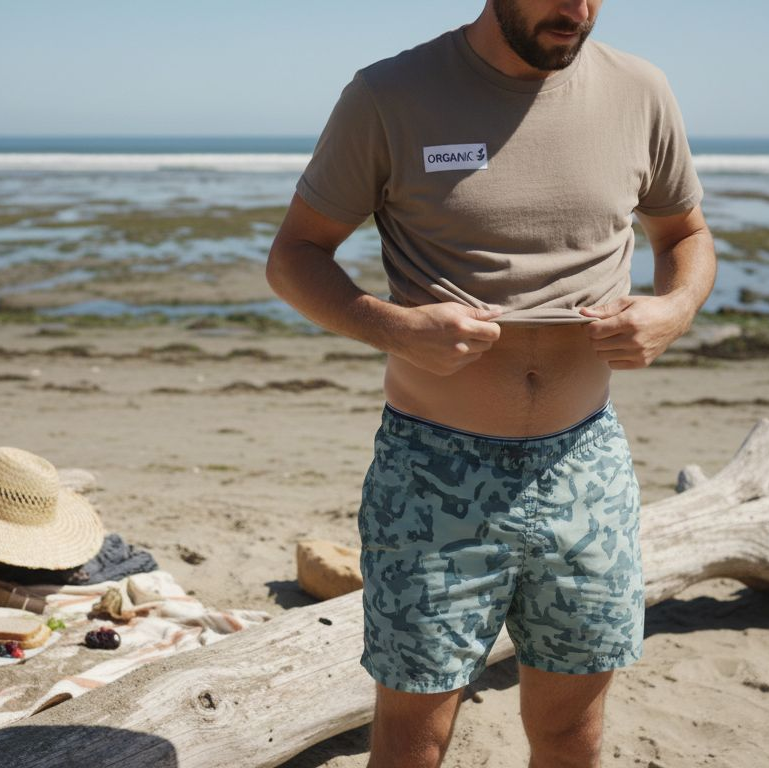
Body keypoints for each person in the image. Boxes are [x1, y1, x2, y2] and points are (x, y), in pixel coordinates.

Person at [266, 0, 716, 765]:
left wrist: (672, 310)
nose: (576, 11)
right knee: (415, 736)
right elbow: (295, 256)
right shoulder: (389, 95)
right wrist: (394, 327)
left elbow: (685, 235)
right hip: (434, 469)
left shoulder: (641, 90)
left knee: (572, 731)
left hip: (585, 466)